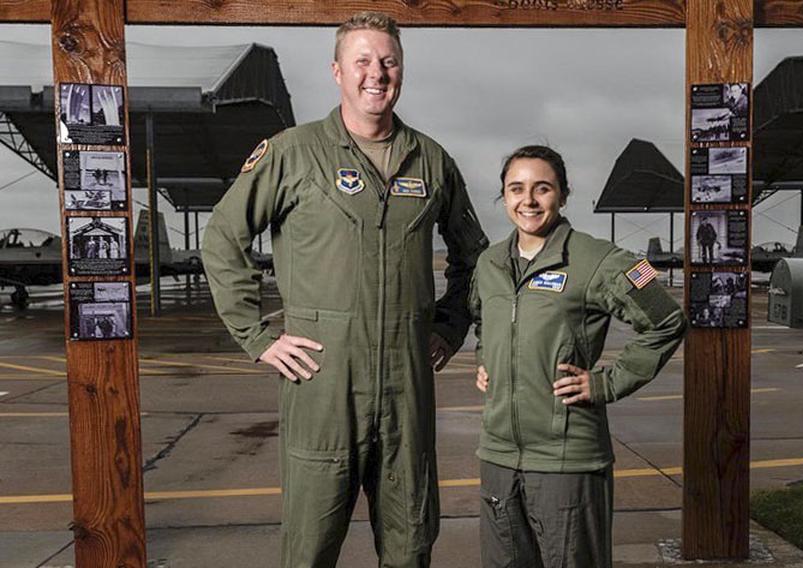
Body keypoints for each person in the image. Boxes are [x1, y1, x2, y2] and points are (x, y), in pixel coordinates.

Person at [202, 11, 488, 568]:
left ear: (401, 70)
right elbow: (222, 237)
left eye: (388, 61)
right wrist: (257, 336)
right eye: (363, 61)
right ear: (337, 71)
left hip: (407, 381)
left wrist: (450, 327)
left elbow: (472, 254)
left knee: (410, 544)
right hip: (323, 377)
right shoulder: (291, 152)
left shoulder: (430, 160)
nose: (375, 73)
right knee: (311, 546)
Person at [469, 146, 685, 568]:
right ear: (503, 196)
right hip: (498, 456)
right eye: (516, 188)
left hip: (567, 461)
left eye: (542, 188)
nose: (528, 200)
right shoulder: (489, 263)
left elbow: (667, 320)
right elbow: (482, 319)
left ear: (563, 195)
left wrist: (605, 383)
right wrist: (484, 358)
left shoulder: (599, 260)